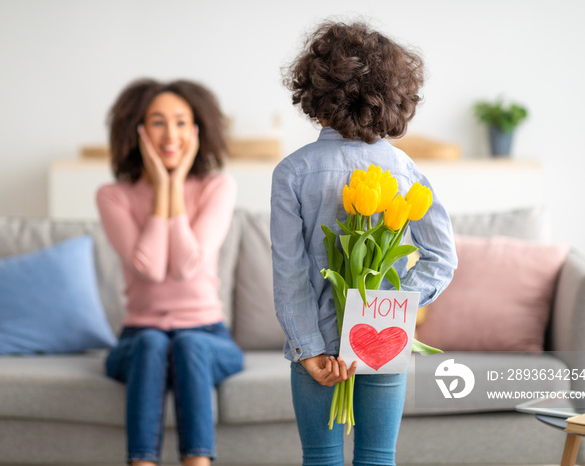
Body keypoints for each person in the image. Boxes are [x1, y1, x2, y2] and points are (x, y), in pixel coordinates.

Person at [270, 21, 458, 466]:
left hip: (316, 348)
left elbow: (289, 273)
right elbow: (442, 257)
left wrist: (310, 348)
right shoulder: (403, 168)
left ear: (315, 94)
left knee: (320, 458)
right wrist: (387, 305)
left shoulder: (292, 172)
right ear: (392, 97)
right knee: (377, 458)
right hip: (383, 339)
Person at [97, 78, 243, 466]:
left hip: (208, 335)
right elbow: (150, 267)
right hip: (137, 340)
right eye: (158, 122)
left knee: (188, 344)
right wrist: (162, 185)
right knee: (152, 342)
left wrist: (174, 183)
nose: (171, 133)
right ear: (139, 131)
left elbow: (185, 266)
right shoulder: (114, 196)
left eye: (181, 122)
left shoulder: (218, 186)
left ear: (196, 130)